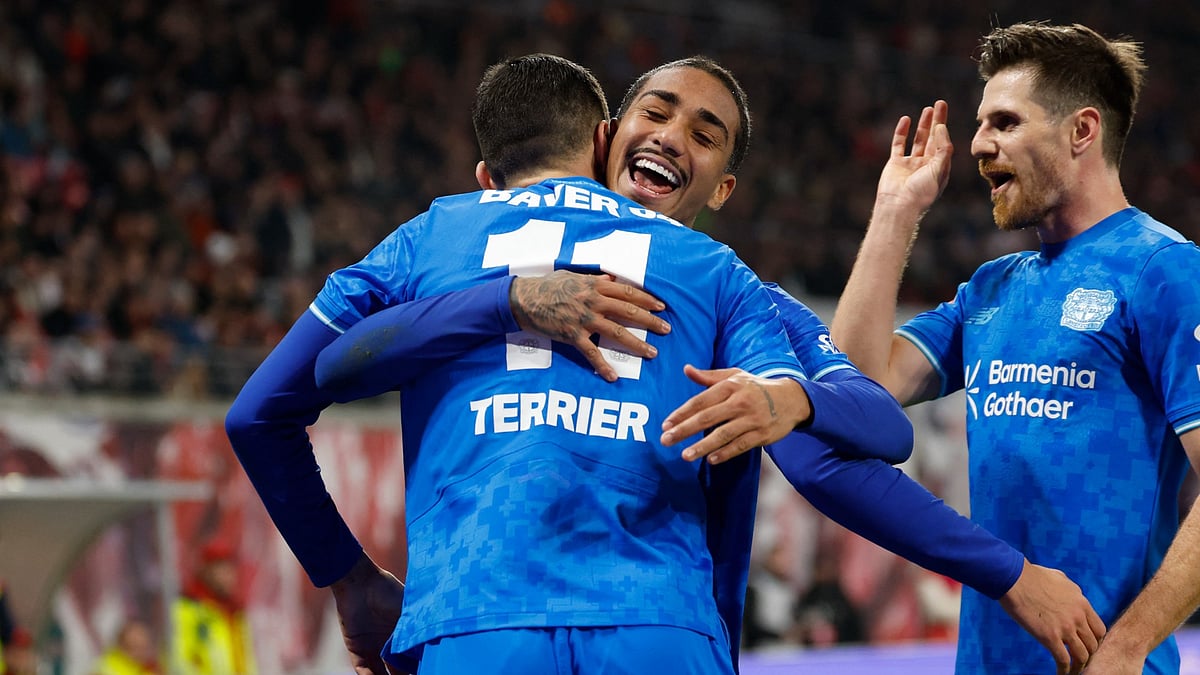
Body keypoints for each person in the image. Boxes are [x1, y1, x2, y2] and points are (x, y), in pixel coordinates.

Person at [829, 21, 1200, 674]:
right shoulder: (992, 287)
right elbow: (853, 387)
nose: (976, 145)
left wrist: (1127, 646)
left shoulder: (1162, 270)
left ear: (1082, 130)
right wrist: (894, 211)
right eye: (980, 124)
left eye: (1004, 122)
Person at [171, 541, 256, 675]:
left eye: (231, 569)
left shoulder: (235, 611)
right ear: (206, 571)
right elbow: (178, 661)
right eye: (221, 569)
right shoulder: (186, 609)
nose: (229, 576)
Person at [91, 619, 160, 675]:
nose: (142, 653)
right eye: (135, 647)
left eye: (145, 647)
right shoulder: (105, 670)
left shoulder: (150, 668)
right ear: (121, 647)